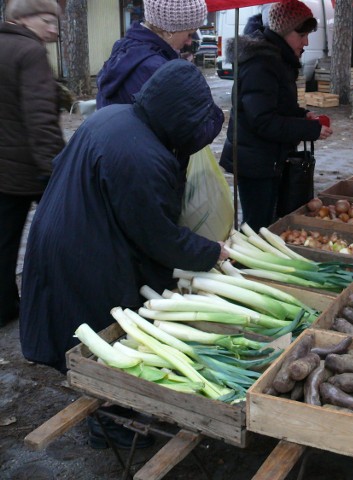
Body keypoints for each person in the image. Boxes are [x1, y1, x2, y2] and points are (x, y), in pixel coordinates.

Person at [20, 60, 226, 374]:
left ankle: (102, 403)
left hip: (62, 237)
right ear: (180, 118)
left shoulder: (114, 115)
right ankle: (107, 416)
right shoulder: (143, 156)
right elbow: (157, 236)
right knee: (97, 348)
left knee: (73, 330)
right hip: (83, 254)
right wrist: (210, 252)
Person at [219, 0, 333, 231]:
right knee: (257, 225)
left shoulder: (276, 59)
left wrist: (304, 115)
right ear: (284, 32)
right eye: (302, 35)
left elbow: (276, 106)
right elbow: (263, 121)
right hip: (256, 161)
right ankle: (243, 265)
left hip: (267, 158)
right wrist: (309, 130)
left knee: (266, 223)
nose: (306, 42)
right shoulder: (262, 63)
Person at [0, 0, 65, 328]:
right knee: (63, 232)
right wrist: (57, 169)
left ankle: (4, 307)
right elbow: (41, 120)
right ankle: (59, 302)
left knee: (4, 241)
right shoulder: (31, 53)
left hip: (4, 170)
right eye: (46, 19)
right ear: (21, 17)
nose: (53, 28)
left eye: (55, 21)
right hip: (29, 169)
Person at [96, 0, 207, 108]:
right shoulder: (156, 70)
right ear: (169, 31)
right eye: (189, 34)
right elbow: (187, 121)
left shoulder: (125, 47)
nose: (190, 42)